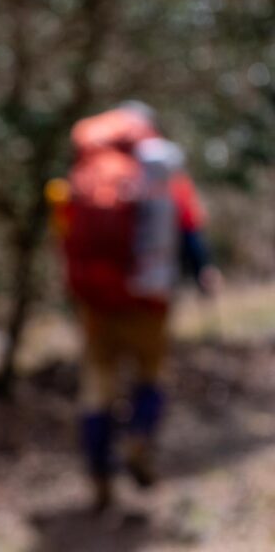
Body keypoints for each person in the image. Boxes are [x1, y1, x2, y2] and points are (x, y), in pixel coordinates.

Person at [46, 103, 220, 512]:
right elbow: (189, 229)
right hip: (149, 302)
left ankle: (98, 476)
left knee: (97, 387)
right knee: (152, 375)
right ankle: (140, 437)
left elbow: (65, 233)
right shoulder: (162, 177)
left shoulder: (86, 173)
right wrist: (203, 272)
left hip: (97, 304)